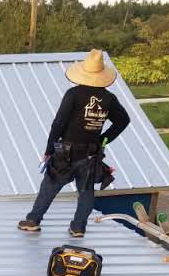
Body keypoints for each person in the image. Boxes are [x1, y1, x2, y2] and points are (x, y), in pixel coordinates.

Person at [18, 49, 131, 238]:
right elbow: (123, 120)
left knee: (50, 185)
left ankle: (33, 220)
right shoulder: (109, 99)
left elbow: (59, 123)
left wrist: (48, 149)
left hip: (66, 152)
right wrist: (104, 139)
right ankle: (78, 228)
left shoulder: (73, 94)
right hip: (91, 153)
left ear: (83, 72)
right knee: (86, 192)